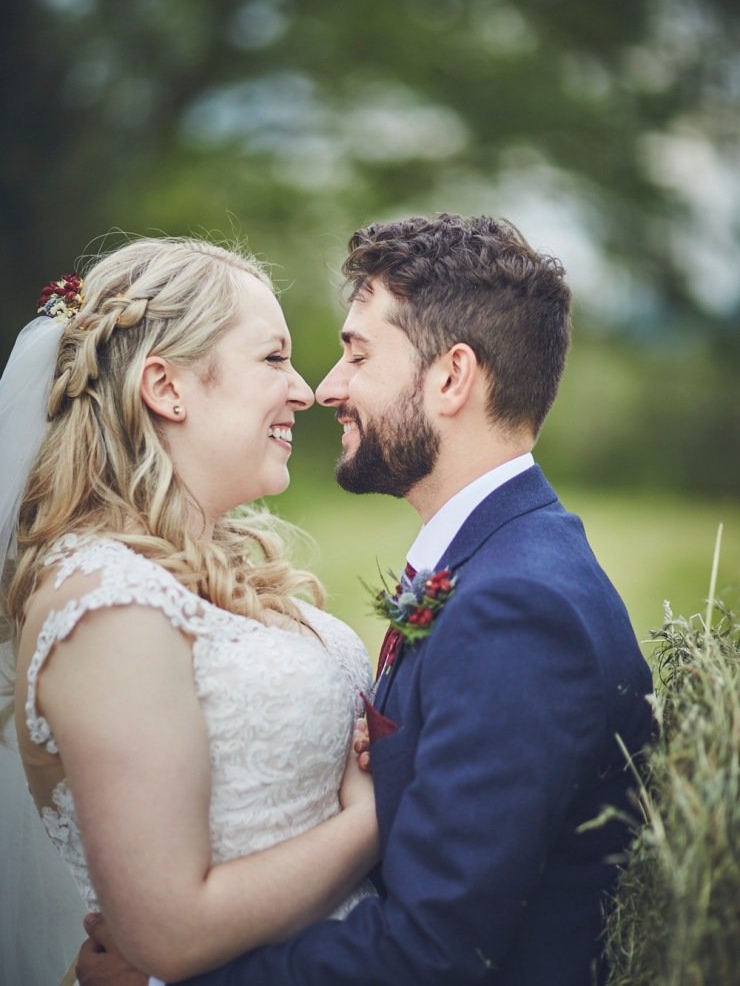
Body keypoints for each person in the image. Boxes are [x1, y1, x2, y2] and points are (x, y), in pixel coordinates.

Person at [77, 214, 654, 985]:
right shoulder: (502, 562)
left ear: (451, 378)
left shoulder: (518, 606)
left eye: (357, 353)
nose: (327, 388)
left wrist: (163, 982)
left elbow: (431, 952)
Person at [0, 237, 381, 984]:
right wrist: (377, 818)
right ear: (167, 388)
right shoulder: (105, 604)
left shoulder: (222, 568)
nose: (304, 391)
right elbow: (170, 934)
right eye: (273, 359)